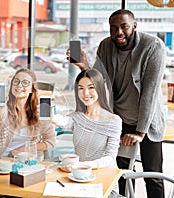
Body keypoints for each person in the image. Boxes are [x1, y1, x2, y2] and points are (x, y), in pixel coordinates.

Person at [72, 9, 166, 197]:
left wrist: (140, 132)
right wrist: (85, 67)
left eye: (124, 27)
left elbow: (150, 92)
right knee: (118, 174)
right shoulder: (106, 46)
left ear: (134, 26)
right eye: (113, 28)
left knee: (153, 176)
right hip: (119, 120)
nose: (118, 33)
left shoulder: (154, 46)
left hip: (147, 122)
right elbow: (98, 80)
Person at [53, 69, 122, 197]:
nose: (85, 93)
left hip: (104, 185)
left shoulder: (114, 121)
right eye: (80, 88)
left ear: (100, 89)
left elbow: (110, 158)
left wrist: (82, 165)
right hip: (79, 180)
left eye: (91, 87)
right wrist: (50, 115)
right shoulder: (77, 117)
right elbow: (62, 121)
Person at [0, 68, 56, 162]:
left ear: (32, 89)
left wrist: (22, 150)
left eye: (25, 82)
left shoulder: (39, 110)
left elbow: (50, 142)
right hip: (1, 162)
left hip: (29, 162)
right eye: (16, 81)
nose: (19, 85)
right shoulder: (4, 106)